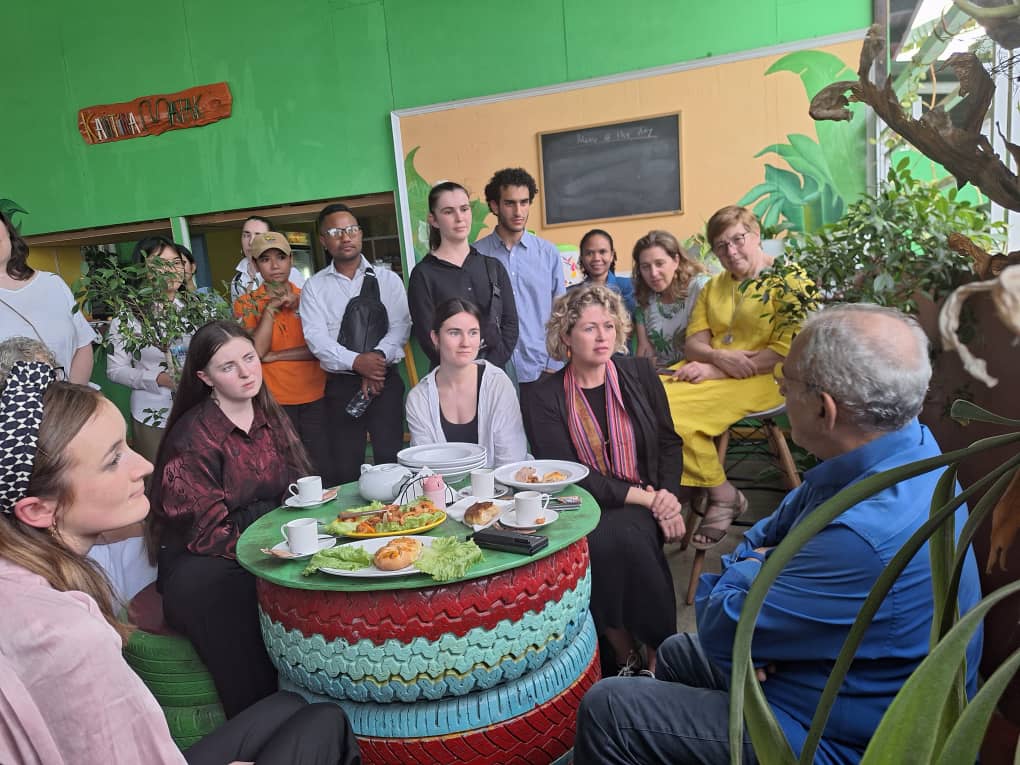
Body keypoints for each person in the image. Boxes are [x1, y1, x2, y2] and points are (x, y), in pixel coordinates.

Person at [573, 304, 983, 765]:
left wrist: (752, 565)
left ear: (824, 410)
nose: (780, 394)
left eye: (785, 384)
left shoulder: (863, 537)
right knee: (674, 651)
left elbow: (722, 621)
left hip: (847, 740)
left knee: (610, 707)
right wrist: (761, 562)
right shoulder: (906, 449)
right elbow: (775, 528)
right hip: (834, 676)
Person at [0, 361, 362, 765]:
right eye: (112, 460)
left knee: (290, 707)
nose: (145, 467)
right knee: (325, 723)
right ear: (36, 509)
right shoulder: (67, 637)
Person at [149, 320, 313, 718]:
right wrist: (276, 546)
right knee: (239, 604)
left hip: (263, 543)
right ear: (205, 377)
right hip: (204, 564)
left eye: (249, 358)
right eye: (228, 367)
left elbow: (291, 488)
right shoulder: (193, 437)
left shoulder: (266, 415)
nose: (245, 372)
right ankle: (259, 722)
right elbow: (206, 533)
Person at [522, 285, 686, 676]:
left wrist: (668, 498)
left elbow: (668, 441)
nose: (603, 337)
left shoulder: (640, 373)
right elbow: (568, 473)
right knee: (611, 539)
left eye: (609, 326)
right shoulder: (541, 396)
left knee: (633, 536)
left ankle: (658, 653)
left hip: (646, 493)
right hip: (583, 501)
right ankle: (621, 647)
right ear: (566, 337)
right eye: (590, 328)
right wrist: (649, 502)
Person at [663, 206, 812, 549]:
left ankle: (713, 492)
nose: (730, 252)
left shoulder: (790, 280)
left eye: (737, 240)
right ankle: (715, 489)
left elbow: (785, 350)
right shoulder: (713, 286)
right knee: (649, 398)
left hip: (768, 378)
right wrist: (717, 357)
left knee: (676, 415)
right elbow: (694, 341)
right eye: (720, 246)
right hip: (717, 371)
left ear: (756, 235)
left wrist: (715, 368)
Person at [300, 204, 411, 487]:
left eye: (351, 229)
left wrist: (375, 360)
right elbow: (316, 338)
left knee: (390, 457)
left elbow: (400, 326)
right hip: (341, 386)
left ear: (360, 234)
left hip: (384, 380)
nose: (345, 237)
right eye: (336, 232)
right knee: (346, 462)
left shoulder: (388, 279)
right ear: (324, 241)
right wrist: (356, 362)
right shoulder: (315, 287)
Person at [233, 231, 328, 476]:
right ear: (254, 265)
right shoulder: (246, 303)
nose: (275, 265)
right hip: (274, 400)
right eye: (265, 259)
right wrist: (270, 310)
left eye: (281, 257)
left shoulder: (310, 297)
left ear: (291, 260)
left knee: (321, 466)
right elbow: (256, 351)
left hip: (315, 394)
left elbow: (320, 350)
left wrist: (275, 356)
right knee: (286, 471)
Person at [473, 167, 565, 407]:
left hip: (542, 368)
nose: (518, 211)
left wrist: (554, 364)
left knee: (544, 442)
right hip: (493, 369)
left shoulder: (548, 253)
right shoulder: (475, 256)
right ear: (494, 206)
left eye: (524, 203)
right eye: (510, 203)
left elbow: (560, 313)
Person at [408, 181, 519, 369]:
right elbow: (428, 337)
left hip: (497, 370)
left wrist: (488, 368)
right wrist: (466, 372)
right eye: (448, 212)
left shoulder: (492, 267)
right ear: (433, 219)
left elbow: (510, 325)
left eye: (464, 209)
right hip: (449, 376)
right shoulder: (423, 275)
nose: (459, 218)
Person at [406, 298, 527, 466]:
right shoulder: (419, 398)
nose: (465, 343)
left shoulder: (497, 384)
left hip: (502, 488)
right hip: (442, 491)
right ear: (435, 338)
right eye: (454, 333)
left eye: (473, 333)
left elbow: (511, 461)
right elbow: (426, 468)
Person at [106, 235, 190, 463]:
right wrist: (158, 378)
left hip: (194, 408)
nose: (171, 270)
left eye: (175, 262)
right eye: (160, 263)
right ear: (143, 270)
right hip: (153, 412)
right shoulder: (128, 318)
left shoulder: (193, 311)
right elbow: (115, 370)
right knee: (160, 479)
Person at [0, 210, 96, 384]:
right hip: (14, 409)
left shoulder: (52, 283)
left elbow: (83, 345)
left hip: (70, 403)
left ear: (7, 228)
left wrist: (69, 400)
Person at [632, 229, 709, 367]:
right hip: (664, 377)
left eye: (659, 264)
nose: (653, 273)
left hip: (700, 373)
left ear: (676, 261)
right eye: (645, 267)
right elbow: (644, 352)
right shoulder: (645, 298)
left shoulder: (700, 288)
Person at [230, 215, 305, 302]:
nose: (251, 242)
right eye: (246, 235)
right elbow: (239, 314)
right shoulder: (237, 279)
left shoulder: (288, 273)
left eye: (258, 235)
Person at [570, 229, 636, 317]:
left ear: (612, 255)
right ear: (582, 257)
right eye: (589, 253)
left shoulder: (630, 286)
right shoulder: (572, 294)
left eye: (602, 252)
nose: (596, 258)